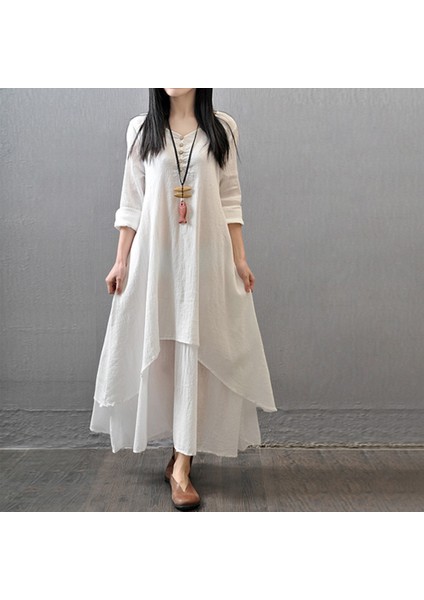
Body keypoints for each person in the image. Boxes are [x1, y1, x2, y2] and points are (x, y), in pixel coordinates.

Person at [89, 88, 277, 511]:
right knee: (164, 357)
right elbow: (131, 203)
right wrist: (120, 262)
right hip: (156, 260)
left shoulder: (222, 129)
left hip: (204, 260)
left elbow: (230, 199)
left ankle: (182, 466)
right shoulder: (141, 131)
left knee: (197, 353)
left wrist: (240, 260)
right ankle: (178, 451)